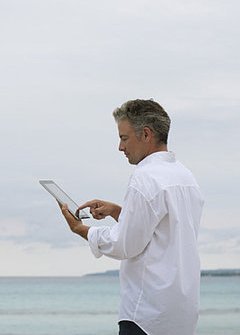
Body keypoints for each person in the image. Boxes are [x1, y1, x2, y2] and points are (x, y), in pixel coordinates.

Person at [58, 99, 204, 335]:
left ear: (146, 134)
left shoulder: (145, 178)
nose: (120, 147)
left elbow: (124, 245)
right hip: (181, 313)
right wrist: (118, 212)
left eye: (124, 138)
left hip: (147, 314)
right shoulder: (186, 178)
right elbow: (163, 232)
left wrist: (81, 229)